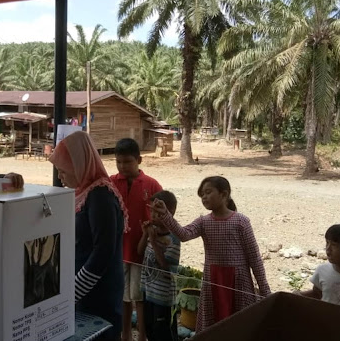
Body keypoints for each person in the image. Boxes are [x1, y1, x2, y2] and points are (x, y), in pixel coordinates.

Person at [149, 176, 270, 332]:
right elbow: (184, 234)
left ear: (224, 194)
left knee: (239, 326)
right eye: (201, 195)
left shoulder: (241, 222)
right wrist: (166, 214)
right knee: (214, 326)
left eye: (207, 192)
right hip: (213, 280)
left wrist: (264, 290)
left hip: (238, 281)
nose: (204, 197)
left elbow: (254, 258)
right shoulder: (203, 222)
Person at [49, 131, 127, 340]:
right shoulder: (85, 192)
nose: (60, 176)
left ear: (79, 165)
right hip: (86, 289)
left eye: (63, 170)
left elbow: (102, 252)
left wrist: (72, 293)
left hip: (100, 294)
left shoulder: (100, 196)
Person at [110, 138, 162, 341]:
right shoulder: (111, 182)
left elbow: (163, 214)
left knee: (139, 297)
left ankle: (142, 336)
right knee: (121, 296)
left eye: (127, 162)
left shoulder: (152, 184)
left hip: (141, 251)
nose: (122, 166)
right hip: (118, 251)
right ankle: (125, 335)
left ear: (139, 160)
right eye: (119, 162)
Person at [138, 191, 180, 341]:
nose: (153, 216)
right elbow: (140, 251)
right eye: (151, 211)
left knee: (163, 333)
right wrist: (145, 235)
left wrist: (153, 241)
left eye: (157, 212)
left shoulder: (174, 238)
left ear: (170, 212)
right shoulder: (153, 232)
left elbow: (165, 266)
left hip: (163, 297)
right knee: (150, 329)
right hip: (149, 291)